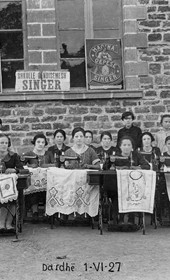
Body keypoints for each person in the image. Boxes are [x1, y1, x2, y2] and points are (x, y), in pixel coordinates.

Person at [24, 133, 53, 222]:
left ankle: (47, 212)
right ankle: (35, 212)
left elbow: (55, 164)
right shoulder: (29, 154)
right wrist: (30, 165)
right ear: (34, 143)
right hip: (33, 181)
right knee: (32, 190)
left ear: (45, 144)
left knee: (48, 190)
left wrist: (44, 165)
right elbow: (22, 165)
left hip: (46, 180)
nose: (40, 144)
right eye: (38, 142)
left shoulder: (49, 153)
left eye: (43, 142)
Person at [0, 133, 23, 230]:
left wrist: (15, 170)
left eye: (6, 143)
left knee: (12, 199)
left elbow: (21, 169)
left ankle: (8, 223)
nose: (4, 145)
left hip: (10, 184)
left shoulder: (13, 156)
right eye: (1, 143)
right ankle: (1, 224)